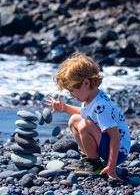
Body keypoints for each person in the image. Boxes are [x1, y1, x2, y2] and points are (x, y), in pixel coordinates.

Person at [46, 52, 130, 180]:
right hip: (107, 143)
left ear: (86, 83)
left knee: (84, 125)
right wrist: (64, 108)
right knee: (74, 120)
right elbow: (84, 113)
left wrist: (111, 167)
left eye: (72, 91)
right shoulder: (91, 98)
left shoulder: (101, 105)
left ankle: (95, 164)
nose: (71, 95)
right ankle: (88, 159)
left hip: (118, 151)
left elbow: (115, 136)